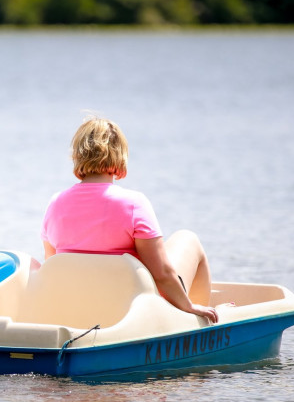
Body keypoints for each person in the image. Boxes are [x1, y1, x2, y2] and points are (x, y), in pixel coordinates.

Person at [41, 117, 218, 323]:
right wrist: (188, 305)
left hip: (79, 307)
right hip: (132, 311)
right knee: (188, 239)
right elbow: (161, 273)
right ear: (119, 156)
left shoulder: (55, 204)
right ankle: (195, 318)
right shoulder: (133, 203)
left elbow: (52, 266)